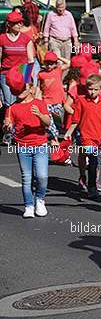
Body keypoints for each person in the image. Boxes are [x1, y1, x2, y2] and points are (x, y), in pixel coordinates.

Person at [2, 66, 51, 218]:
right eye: (18, 90)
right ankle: (28, 205)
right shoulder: (12, 108)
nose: (20, 93)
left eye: (24, 89)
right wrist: (7, 127)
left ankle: (40, 200)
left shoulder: (39, 103)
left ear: (30, 88)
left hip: (40, 145)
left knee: (42, 177)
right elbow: (7, 129)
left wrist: (39, 115)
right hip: (22, 146)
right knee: (26, 177)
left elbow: (48, 123)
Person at [64, 74, 101, 198]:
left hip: (100, 136)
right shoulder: (81, 101)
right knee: (92, 159)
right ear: (87, 88)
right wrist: (69, 132)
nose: (93, 92)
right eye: (90, 89)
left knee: (96, 161)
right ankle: (92, 187)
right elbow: (76, 119)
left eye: (96, 89)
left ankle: (88, 180)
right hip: (86, 136)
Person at [0, 11, 35, 113]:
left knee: (21, 99)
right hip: (6, 72)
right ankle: (8, 123)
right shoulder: (2, 38)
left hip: (21, 72)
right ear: (9, 24)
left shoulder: (26, 39)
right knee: (8, 101)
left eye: (21, 22)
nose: (20, 24)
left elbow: (30, 60)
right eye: (17, 22)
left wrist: (28, 79)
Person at [38, 51, 70, 136]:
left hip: (58, 100)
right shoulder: (41, 74)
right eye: (47, 63)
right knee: (50, 120)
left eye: (51, 63)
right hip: (46, 100)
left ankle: (56, 132)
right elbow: (39, 87)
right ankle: (53, 137)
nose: (49, 66)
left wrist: (58, 57)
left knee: (57, 119)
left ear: (56, 64)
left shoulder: (58, 70)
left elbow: (68, 63)